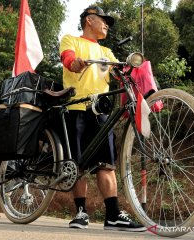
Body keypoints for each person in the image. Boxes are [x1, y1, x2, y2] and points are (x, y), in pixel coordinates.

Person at [59, 5, 146, 232]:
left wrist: (128, 71)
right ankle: (80, 212)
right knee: (77, 164)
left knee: (107, 164)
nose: (107, 24)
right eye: (103, 19)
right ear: (90, 20)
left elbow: (120, 72)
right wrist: (74, 62)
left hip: (100, 113)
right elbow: (67, 58)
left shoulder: (106, 53)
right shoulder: (71, 40)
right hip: (75, 107)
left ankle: (113, 214)